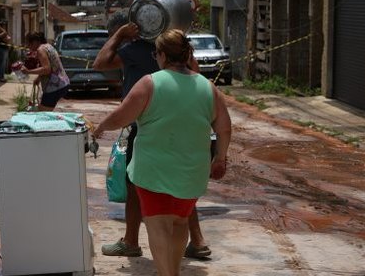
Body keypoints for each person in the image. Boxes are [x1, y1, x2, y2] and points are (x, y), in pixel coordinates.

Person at [92, 29, 231, 276]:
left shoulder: (150, 83)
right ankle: (172, 272)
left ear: (162, 55)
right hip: (192, 173)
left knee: (158, 227)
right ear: (187, 54)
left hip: (153, 172)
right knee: (179, 224)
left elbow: (122, 116)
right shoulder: (207, 87)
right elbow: (224, 128)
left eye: (155, 53)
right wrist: (220, 158)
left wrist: (102, 126)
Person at [20, 31, 70, 110]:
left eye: (29, 44)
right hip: (63, 83)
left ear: (36, 41)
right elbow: (50, 66)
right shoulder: (48, 46)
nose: (28, 46)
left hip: (54, 87)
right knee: (44, 111)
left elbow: (47, 69)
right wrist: (39, 78)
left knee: (43, 114)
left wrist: (28, 71)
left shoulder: (40, 50)